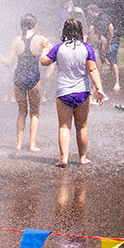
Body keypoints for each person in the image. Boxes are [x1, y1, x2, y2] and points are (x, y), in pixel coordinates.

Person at [40, 17, 107, 166]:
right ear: (80, 31)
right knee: (81, 126)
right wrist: (100, 89)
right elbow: (92, 69)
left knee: (64, 126)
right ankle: (82, 158)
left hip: (63, 92)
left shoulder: (58, 47)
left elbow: (44, 62)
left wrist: (44, 50)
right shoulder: (87, 48)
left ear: (65, 30)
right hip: (82, 92)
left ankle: (64, 158)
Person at [0, 13, 50, 152]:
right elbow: (44, 60)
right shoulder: (41, 40)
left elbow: (7, 63)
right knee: (34, 113)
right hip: (33, 78)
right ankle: (32, 145)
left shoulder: (16, 41)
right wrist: (46, 49)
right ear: (35, 25)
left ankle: (18, 144)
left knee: (21, 111)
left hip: (18, 77)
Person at [87, 4, 120, 93]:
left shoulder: (103, 17)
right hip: (104, 43)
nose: (89, 15)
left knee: (113, 61)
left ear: (93, 11)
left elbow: (111, 29)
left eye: (89, 12)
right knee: (103, 66)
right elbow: (89, 30)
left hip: (113, 40)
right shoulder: (97, 19)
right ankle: (105, 86)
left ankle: (117, 82)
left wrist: (109, 42)